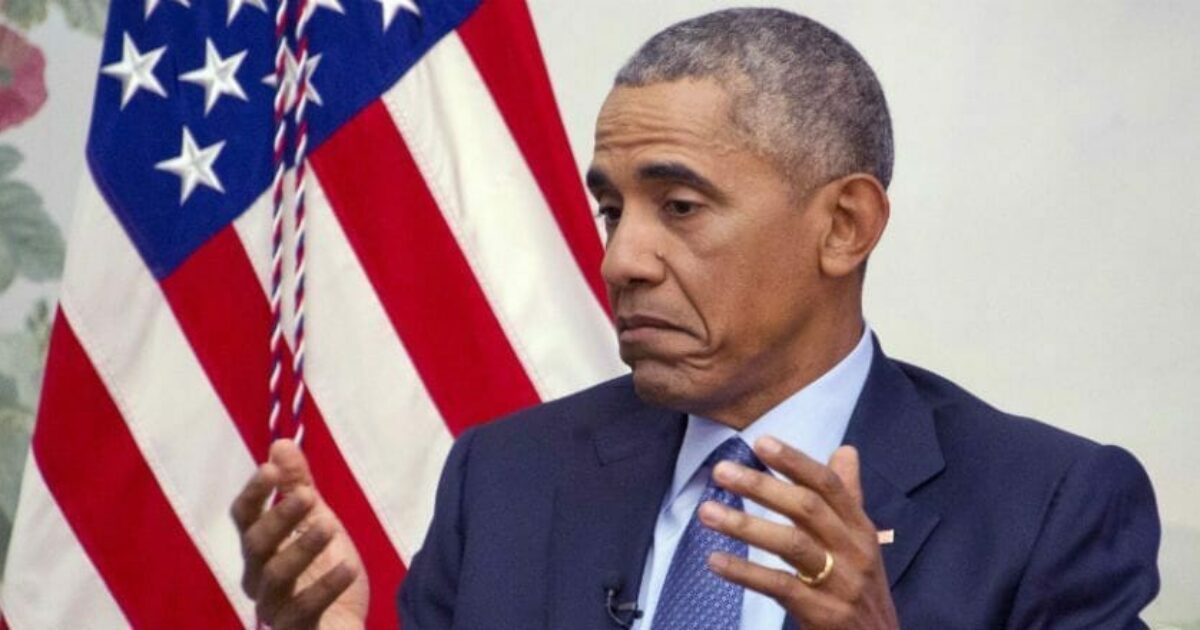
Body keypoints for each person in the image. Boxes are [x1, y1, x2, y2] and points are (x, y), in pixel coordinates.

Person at [231, 8, 1160, 629]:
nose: (621, 261)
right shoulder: (505, 478)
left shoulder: (1048, 508)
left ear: (844, 226)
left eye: (679, 207)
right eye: (611, 210)